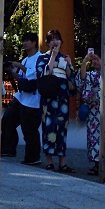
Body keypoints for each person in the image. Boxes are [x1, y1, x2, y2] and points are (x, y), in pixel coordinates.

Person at [36, 29, 76, 173]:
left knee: (62, 129)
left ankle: (62, 163)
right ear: (47, 42)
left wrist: (69, 64)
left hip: (62, 96)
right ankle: (49, 161)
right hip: (49, 97)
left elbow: (71, 78)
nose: (55, 41)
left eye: (57, 39)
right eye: (51, 39)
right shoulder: (42, 58)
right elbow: (45, 73)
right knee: (48, 127)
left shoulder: (65, 57)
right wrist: (53, 55)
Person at [0, 32, 43, 164]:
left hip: (34, 98)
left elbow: (35, 75)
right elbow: (20, 78)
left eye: (27, 41)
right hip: (21, 96)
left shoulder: (41, 58)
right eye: (23, 41)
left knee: (29, 129)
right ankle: (8, 148)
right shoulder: (24, 59)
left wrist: (19, 67)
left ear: (34, 42)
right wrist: (11, 71)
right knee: (7, 120)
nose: (24, 43)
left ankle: (33, 157)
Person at [75, 49, 105, 175]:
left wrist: (103, 64)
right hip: (93, 110)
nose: (95, 62)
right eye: (93, 59)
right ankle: (96, 164)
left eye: (97, 59)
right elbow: (81, 80)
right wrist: (84, 62)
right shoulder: (90, 74)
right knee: (93, 137)